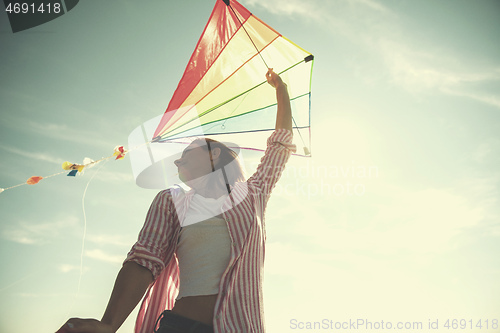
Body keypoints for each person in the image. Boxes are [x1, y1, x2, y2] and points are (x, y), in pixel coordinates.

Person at [56, 69, 296, 333]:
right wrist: (109, 324)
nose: (178, 161)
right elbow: (144, 259)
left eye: (186, 155)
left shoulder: (254, 194)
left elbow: (280, 146)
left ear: (213, 154)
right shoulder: (172, 200)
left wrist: (281, 90)